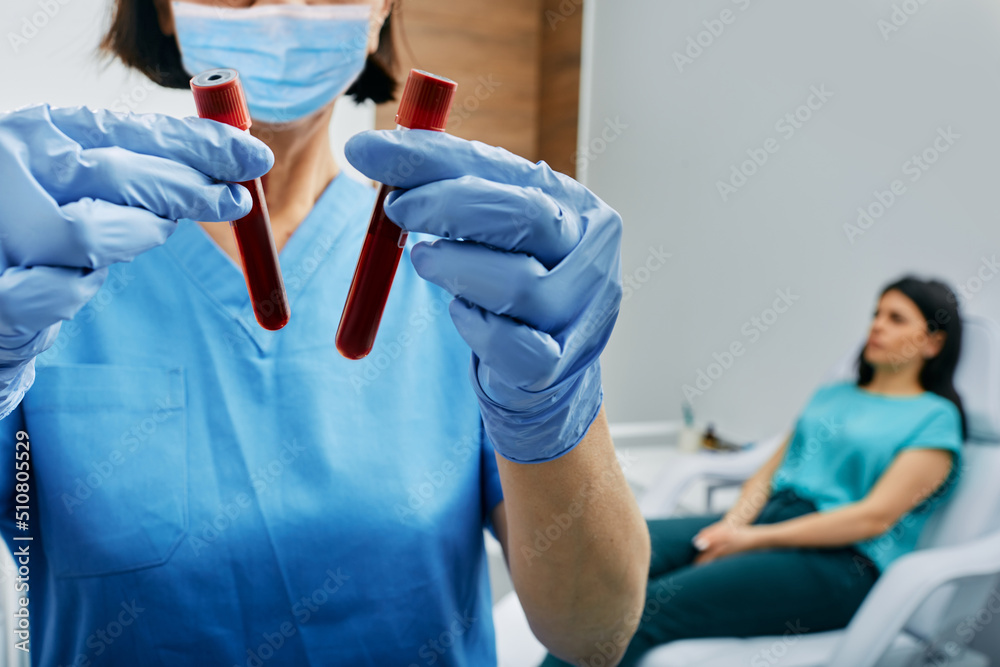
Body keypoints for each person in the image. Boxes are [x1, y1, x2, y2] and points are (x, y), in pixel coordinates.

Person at [0, 0, 652, 664]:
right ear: (164, 11)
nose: (282, 6)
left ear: (379, 11)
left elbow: (595, 634)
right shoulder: (48, 264)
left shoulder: (469, 272)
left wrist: (556, 406)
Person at [541, 276, 968, 667]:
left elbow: (872, 518)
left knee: (643, 610)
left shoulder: (935, 418)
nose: (877, 325)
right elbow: (767, 473)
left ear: (933, 342)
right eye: (876, 313)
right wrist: (731, 526)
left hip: (840, 563)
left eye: (896, 318)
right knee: (610, 549)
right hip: (769, 518)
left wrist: (750, 540)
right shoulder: (835, 396)